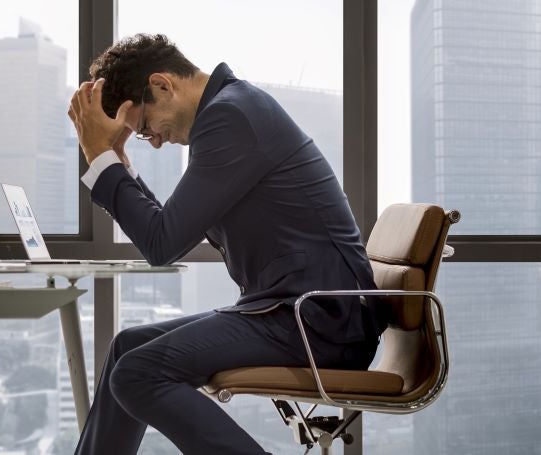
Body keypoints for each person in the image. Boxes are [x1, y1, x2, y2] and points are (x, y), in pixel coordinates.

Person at [66, 33, 386, 455]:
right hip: (293, 311)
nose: (155, 141)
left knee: (138, 372)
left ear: (162, 85)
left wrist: (100, 157)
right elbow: (168, 227)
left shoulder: (230, 117)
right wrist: (116, 161)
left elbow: (162, 243)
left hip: (316, 321)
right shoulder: (232, 109)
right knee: (130, 346)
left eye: (143, 128)